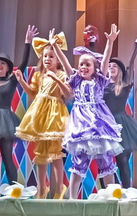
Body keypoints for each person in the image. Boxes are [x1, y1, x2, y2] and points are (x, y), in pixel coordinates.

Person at [50, 26, 124, 199]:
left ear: (94, 67)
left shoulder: (99, 80)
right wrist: (55, 47)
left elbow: (105, 60)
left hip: (99, 123)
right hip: (81, 124)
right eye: (81, 64)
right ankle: (72, 198)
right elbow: (66, 64)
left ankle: (112, 196)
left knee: (106, 160)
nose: (83, 67)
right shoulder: (76, 80)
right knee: (79, 161)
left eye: (87, 64)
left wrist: (110, 42)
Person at [14, 31, 72, 199]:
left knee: (55, 152)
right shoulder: (38, 75)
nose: (47, 59)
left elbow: (67, 94)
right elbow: (33, 93)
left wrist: (57, 79)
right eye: (45, 56)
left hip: (55, 114)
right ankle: (41, 188)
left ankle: (59, 187)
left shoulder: (61, 75)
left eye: (51, 56)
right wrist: (21, 81)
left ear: (58, 60)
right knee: (40, 153)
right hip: (39, 114)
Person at [0, 25, 38, 196]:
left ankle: (15, 192)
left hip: (5, 121)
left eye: (3, 63)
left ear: (8, 68)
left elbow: (22, 65)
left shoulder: (11, 81)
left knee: (7, 158)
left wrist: (27, 43)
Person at [105, 30, 137, 188]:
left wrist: (136, 44)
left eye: (114, 66)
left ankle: (127, 190)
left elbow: (130, 64)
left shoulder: (124, 84)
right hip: (105, 125)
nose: (111, 67)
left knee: (122, 160)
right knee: (104, 163)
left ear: (120, 70)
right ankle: (110, 190)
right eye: (109, 66)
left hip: (123, 126)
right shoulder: (102, 85)